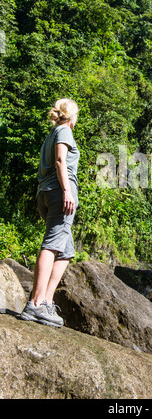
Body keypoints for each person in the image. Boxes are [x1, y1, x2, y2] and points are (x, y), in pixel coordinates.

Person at [20, 98, 80, 327]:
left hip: (45, 193)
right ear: (72, 116)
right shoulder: (64, 132)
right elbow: (60, 161)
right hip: (58, 192)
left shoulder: (51, 135)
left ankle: (46, 301)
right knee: (52, 245)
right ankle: (35, 303)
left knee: (65, 251)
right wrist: (67, 191)